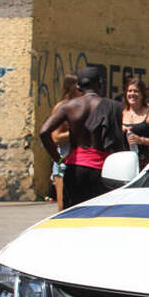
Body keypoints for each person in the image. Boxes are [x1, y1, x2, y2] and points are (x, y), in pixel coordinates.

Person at [39, 67, 126, 209]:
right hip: (102, 169)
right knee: (101, 214)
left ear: (78, 87)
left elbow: (44, 132)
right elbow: (118, 143)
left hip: (75, 169)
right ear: (100, 84)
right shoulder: (113, 106)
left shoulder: (68, 106)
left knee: (74, 214)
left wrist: (58, 159)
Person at [49, 73, 81, 210]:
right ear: (73, 88)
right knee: (63, 208)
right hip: (64, 161)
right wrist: (76, 132)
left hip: (81, 161)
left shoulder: (82, 105)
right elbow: (56, 137)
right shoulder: (62, 107)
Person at [121, 77, 149, 169]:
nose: (132, 94)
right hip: (123, 163)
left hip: (143, 163)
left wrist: (141, 140)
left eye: (136, 91)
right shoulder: (120, 113)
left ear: (142, 94)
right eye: (129, 91)